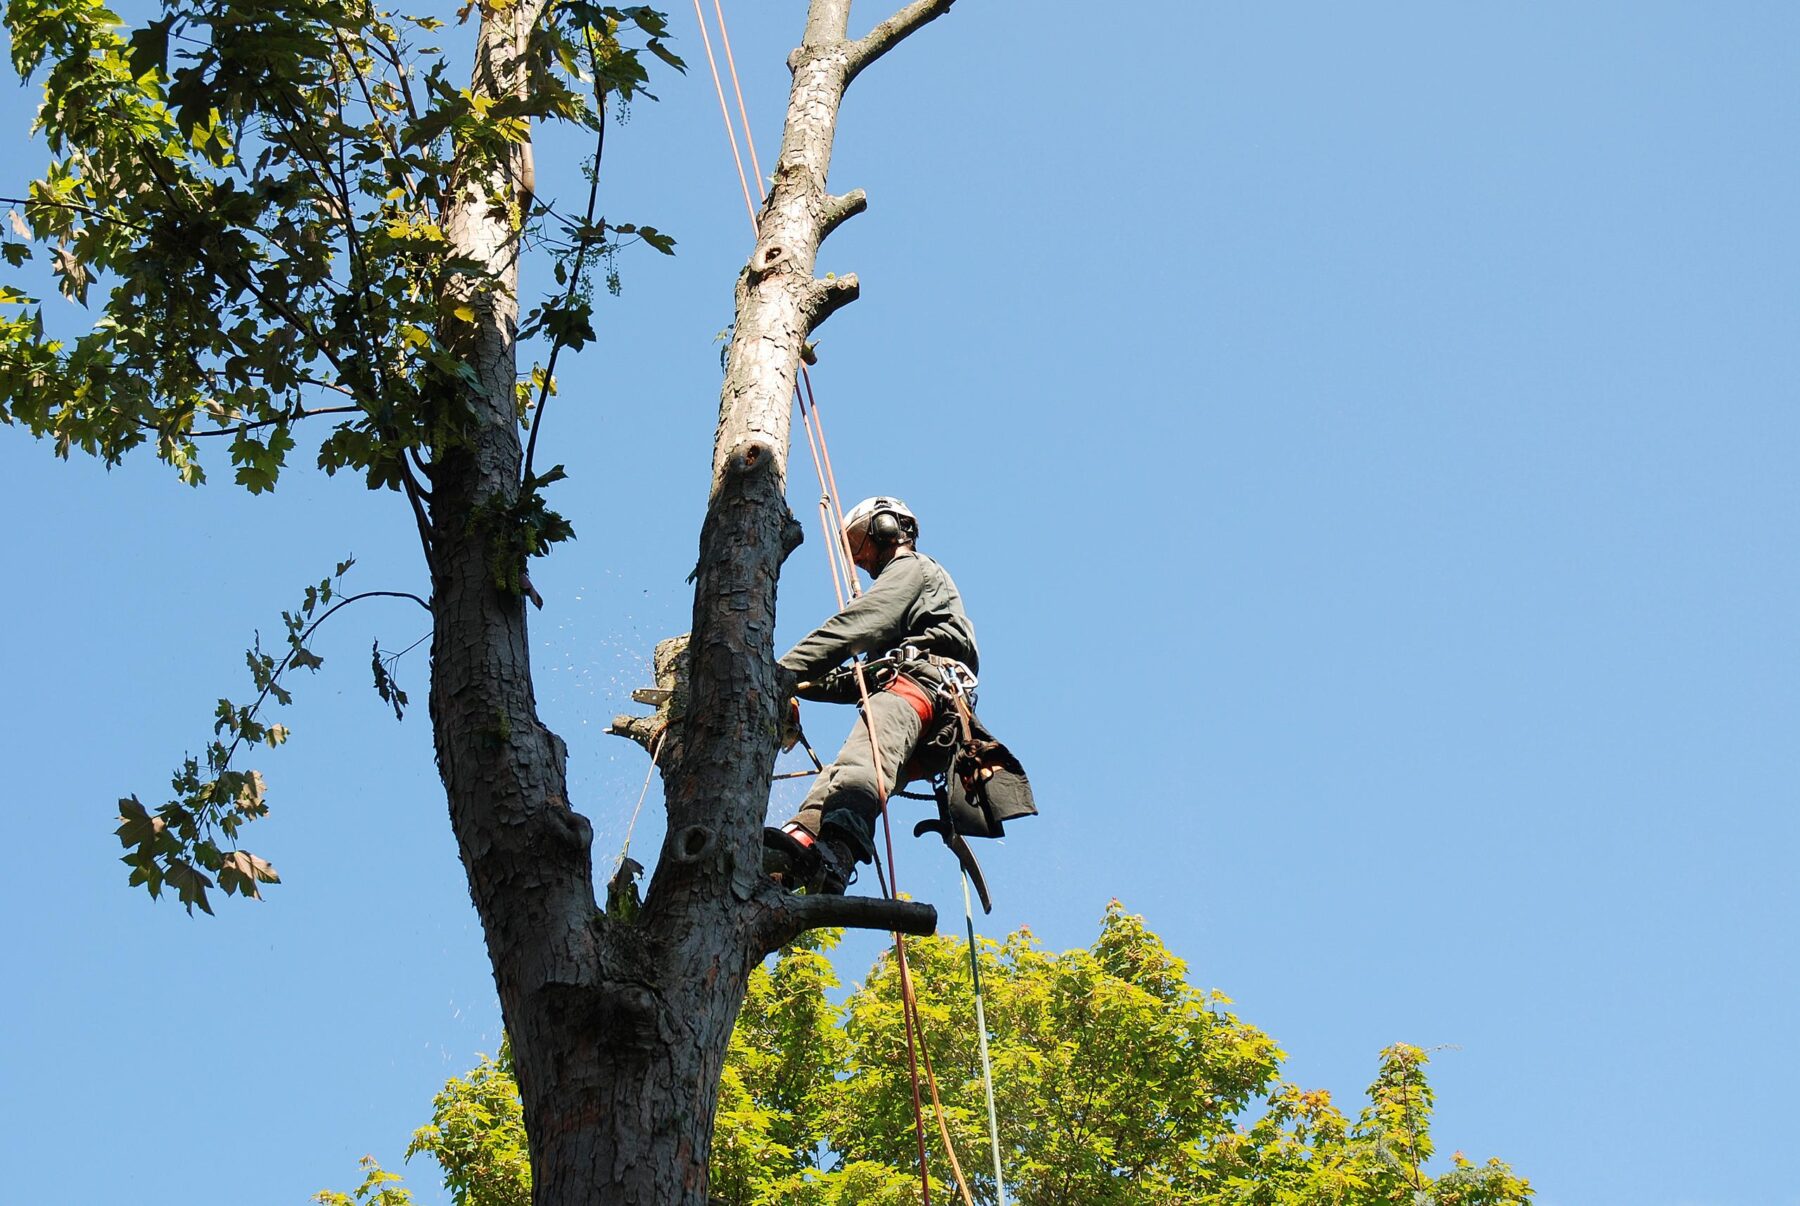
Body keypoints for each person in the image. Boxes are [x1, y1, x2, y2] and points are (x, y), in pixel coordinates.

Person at [764, 496, 980, 895]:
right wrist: (794, 685)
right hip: (925, 718)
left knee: (861, 764)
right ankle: (792, 859)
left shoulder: (911, 568)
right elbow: (859, 680)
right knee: (839, 777)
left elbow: (861, 623)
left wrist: (775, 673)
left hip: (922, 691)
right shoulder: (906, 636)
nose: (861, 559)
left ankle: (837, 853)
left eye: (861, 542)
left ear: (887, 528)